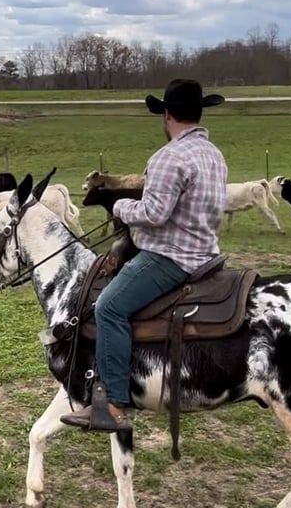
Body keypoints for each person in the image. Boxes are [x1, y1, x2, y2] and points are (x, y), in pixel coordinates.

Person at [60, 78, 229, 433]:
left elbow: (154, 213)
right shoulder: (214, 154)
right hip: (206, 252)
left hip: (171, 257)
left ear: (167, 115)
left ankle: (113, 404)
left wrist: (120, 206)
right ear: (198, 113)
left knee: (109, 306)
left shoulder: (168, 157)